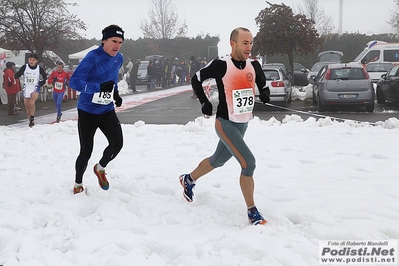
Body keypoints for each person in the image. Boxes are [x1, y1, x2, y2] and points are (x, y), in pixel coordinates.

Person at [179, 27, 270, 225]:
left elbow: (262, 84)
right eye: (245, 43)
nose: (249, 47)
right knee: (249, 163)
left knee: (217, 160)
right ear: (233, 43)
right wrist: (204, 101)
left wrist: (264, 93)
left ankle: (189, 179)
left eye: (251, 43)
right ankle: (252, 211)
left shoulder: (254, 65)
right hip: (225, 123)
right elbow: (196, 79)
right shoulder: (221, 65)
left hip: (243, 124)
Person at [68, 24, 125, 194]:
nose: (117, 46)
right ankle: (78, 183)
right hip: (88, 111)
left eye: (120, 42)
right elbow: (74, 82)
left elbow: (112, 79)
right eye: (114, 41)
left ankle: (100, 168)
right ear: (104, 41)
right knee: (86, 151)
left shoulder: (119, 58)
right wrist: (98, 87)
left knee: (117, 144)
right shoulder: (92, 57)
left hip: (106, 109)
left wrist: (115, 93)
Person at [14, 53, 47, 127]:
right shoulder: (25, 67)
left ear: (36, 61)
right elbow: (19, 73)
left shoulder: (39, 68)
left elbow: (45, 76)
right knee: (27, 107)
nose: (31, 61)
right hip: (27, 88)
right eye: (30, 59)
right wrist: (17, 75)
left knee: (32, 102)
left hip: (35, 87)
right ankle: (30, 121)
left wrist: (42, 82)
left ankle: (32, 118)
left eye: (33, 60)